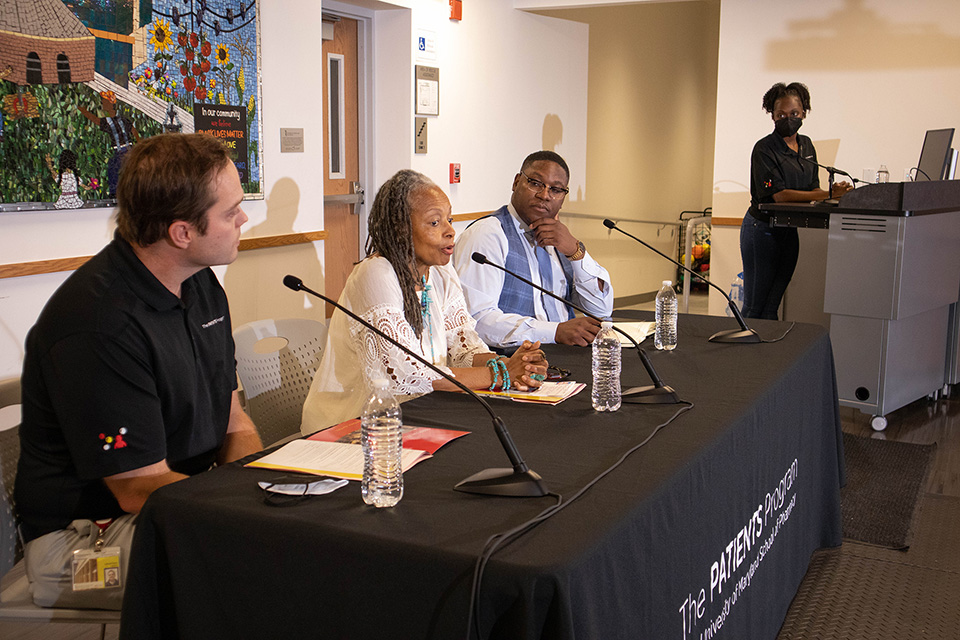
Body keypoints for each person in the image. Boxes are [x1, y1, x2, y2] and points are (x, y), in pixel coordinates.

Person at [15, 133, 263, 610]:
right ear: (182, 233)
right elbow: (135, 488)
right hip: (81, 543)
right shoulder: (98, 324)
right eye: (231, 212)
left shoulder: (201, 285)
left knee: (297, 542)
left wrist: (258, 492)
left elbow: (234, 421)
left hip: (177, 501)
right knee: (255, 567)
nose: (244, 219)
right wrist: (243, 517)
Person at [301, 170, 547, 433]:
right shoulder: (376, 274)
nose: (451, 231)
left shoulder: (440, 271)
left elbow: (463, 350)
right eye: (434, 223)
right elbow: (407, 376)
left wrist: (511, 364)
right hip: (353, 424)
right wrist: (501, 372)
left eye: (449, 219)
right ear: (401, 228)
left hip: (418, 414)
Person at [453, 151, 613, 349]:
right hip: (514, 362)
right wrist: (556, 331)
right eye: (535, 183)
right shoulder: (488, 234)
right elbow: (476, 320)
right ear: (516, 182)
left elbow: (601, 309)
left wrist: (575, 252)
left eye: (556, 189)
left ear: (563, 197)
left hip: (566, 356)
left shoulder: (560, 239)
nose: (544, 195)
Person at [740, 82, 852, 320]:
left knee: (772, 305)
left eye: (794, 114)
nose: (787, 118)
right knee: (755, 306)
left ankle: (766, 355)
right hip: (762, 230)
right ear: (772, 115)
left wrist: (834, 195)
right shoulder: (764, 149)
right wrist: (829, 194)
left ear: (804, 114)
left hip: (788, 231)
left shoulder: (807, 145)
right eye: (781, 114)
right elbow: (779, 195)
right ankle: (740, 354)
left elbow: (812, 187)